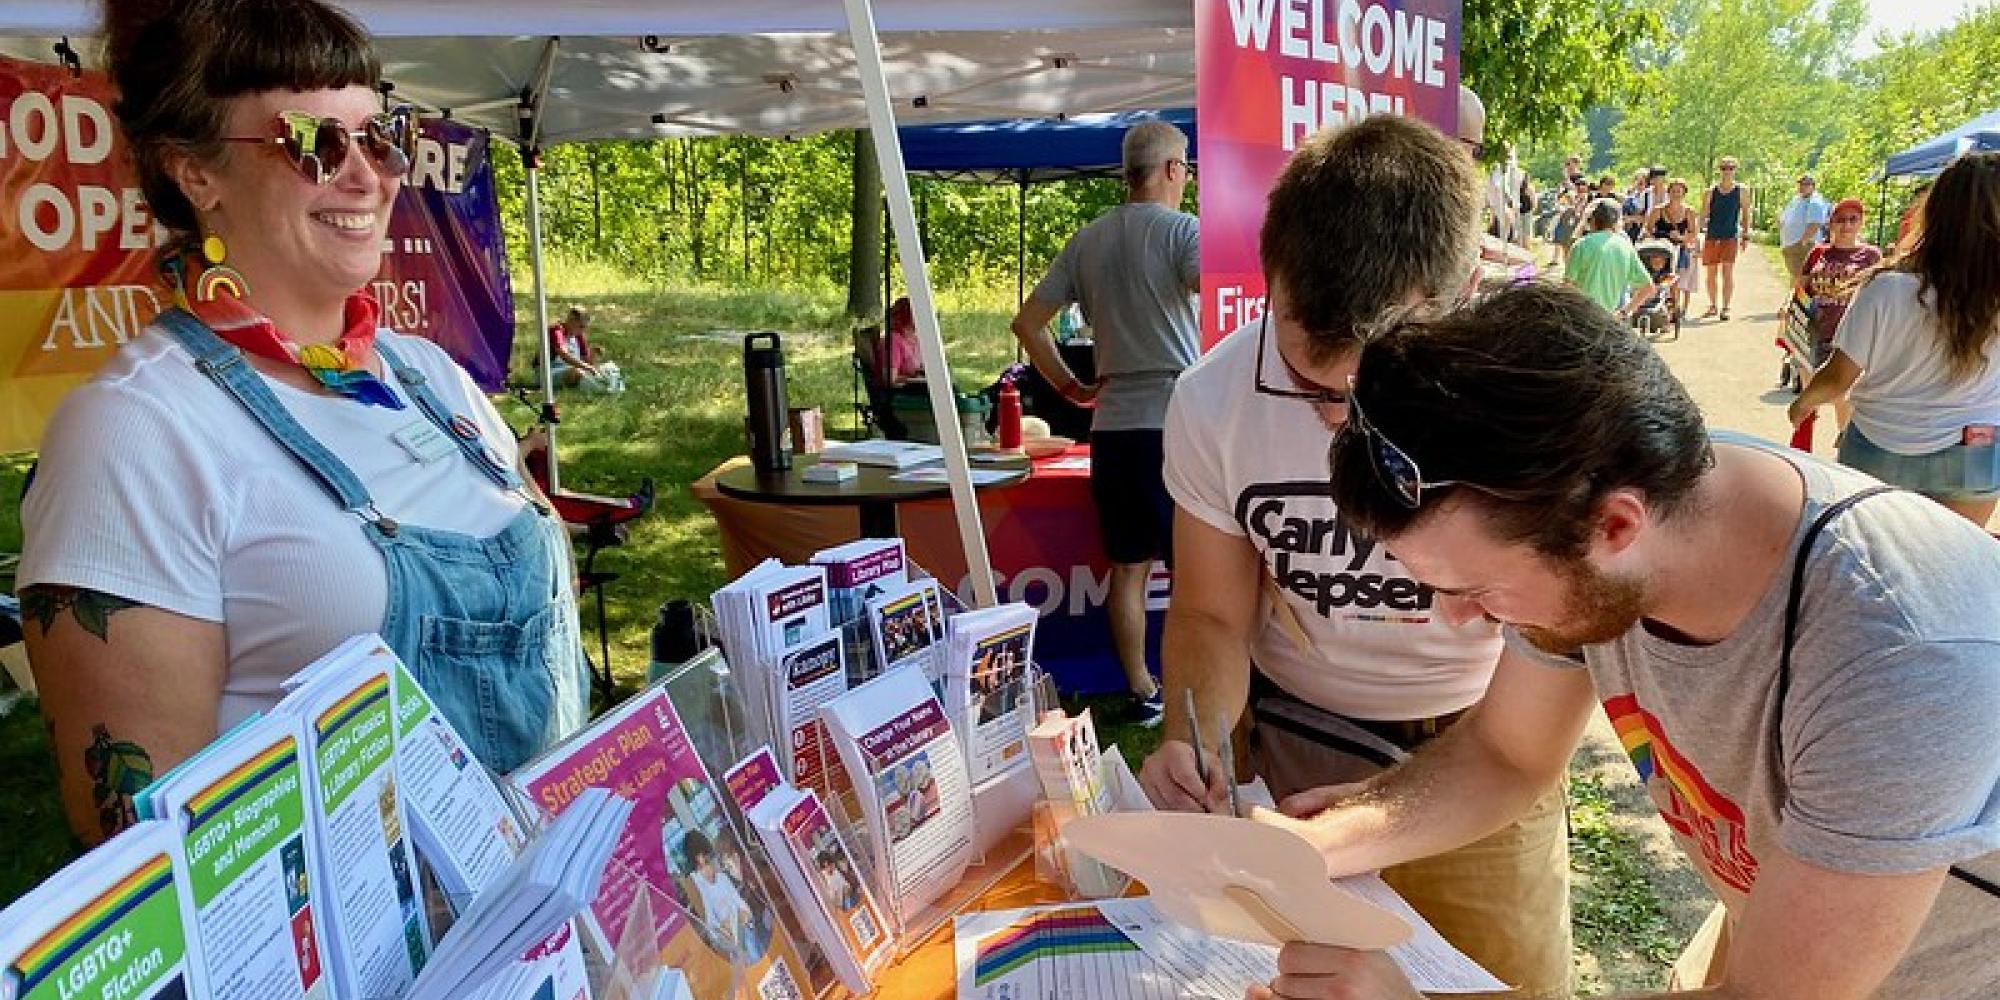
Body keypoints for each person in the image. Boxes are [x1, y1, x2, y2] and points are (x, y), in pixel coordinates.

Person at [1254, 280, 2000, 1000]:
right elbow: (1506, 754)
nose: (1455, 618)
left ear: (1614, 525)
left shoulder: (1900, 659)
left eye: (1473, 590)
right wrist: (1322, 845)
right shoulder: (1620, 506)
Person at [18, 0, 588, 845]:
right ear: (195, 174)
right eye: (313, 142)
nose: (368, 175)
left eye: (379, 135)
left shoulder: (432, 377)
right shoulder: (134, 433)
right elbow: (143, 848)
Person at [1138, 116, 1573, 1000]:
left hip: (1485, 751)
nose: (1341, 421)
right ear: (1270, 284)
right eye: (1308, 379)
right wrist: (1198, 735)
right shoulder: (1212, 399)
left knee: (1500, 984)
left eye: (1375, 386)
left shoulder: (1534, 400)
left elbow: (1548, 676)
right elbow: (1213, 613)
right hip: (1300, 748)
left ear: (1457, 294)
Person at [1010, 120, 1199, 726]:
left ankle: (1142, 690)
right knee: (1195, 573)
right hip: (1173, 422)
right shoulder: (1184, 231)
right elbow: (1212, 285)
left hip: (1112, 426)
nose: (1188, 178)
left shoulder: (1087, 238)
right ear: (1172, 170)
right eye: (1186, 167)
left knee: (1128, 570)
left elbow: (1027, 324)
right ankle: (1194, 691)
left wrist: (1069, 385)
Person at [1789, 154, 2000, 526]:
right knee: (1951, 569)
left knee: (1869, 565)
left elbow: (1839, 376)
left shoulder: (1886, 286)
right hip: (1973, 453)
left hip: (1879, 447)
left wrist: (1804, 402)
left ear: (1934, 212)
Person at [1564, 199, 1658, 318]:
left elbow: (1567, 287)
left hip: (1583, 317)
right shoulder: (1625, 246)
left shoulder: (1581, 245)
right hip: (1610, 320)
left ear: (1592, 221)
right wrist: (1625, 311)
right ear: (1616, 222)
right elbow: (1648, 287)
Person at [1698, 156, 1752, 320]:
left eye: (1730, 168)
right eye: (1724, 168)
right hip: (1712, 235)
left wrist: (1746, 234)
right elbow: (1704, 214)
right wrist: (1697, 232)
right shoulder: (1710, 192)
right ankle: (1713, 305)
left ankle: (1726, 307)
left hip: (1730, 235)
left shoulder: (1741, 191)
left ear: (1735, 169)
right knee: (1711, 273)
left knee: (1727, 272)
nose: (1727, 171)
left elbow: (1746, 214)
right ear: (1719, 170)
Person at [1643, 177, 1698, 315]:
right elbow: (1648, 228)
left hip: (1679, 249)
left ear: (1684, 193)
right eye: (1673, 191)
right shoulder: (1658, 210)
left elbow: (1693, 234)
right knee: (1658, 277)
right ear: (1669, 192)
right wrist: (1654, 237)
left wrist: (1680, 238)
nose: (1676, 194)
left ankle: (1674, 309)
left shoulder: (1689, 212)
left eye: (1679, 191)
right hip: (1660, 249)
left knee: (1675, 280)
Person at [1778, 173, 1831, 283]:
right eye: (1801, 184)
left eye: (1807, 184)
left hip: (1803, 247)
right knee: (1796, 278)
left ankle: (1799, 300)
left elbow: (1815, 224)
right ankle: (1794, 299)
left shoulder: (1814, 202)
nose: (1803, 186)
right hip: (1791, 246)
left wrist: (1802, 242)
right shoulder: (1797, 199)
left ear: (1813, 186)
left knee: (1801, 280)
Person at [880, 297, 925, 387]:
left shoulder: (916, 339)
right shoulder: (894, 340)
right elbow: (890, 379)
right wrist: (915, 379)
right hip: (903, 394)